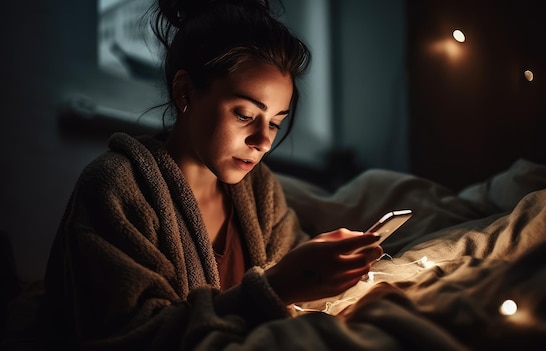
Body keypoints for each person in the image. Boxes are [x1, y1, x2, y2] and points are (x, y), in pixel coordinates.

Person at [35, 0, 383, 349]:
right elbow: (131, 334)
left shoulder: (259, 191)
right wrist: (273, 288)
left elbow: (295, 277)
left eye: (276, 122)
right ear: (185, 91)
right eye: (245, 114)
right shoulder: (114, 188)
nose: (263, 141)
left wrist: (326, 267)